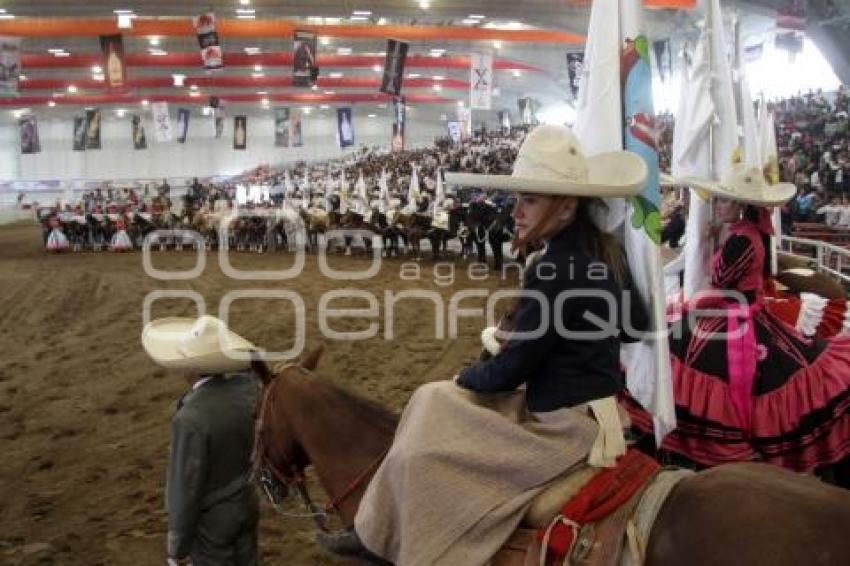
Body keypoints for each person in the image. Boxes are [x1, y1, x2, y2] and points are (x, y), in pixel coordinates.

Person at [317, 125, 649, 564]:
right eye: (519, 199)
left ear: (567, 208)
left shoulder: (552, 268)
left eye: (530, 200)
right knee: (431, 402)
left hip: (563, 423)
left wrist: (467, 374)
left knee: (427, 439)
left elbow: (512, 371)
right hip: (596, 409)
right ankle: (375, 529)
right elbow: (635, 328)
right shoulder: (606, 252)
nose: (516, 212)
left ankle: (386, 536)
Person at [626, 164, 850, 474]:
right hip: (736, 309)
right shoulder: (749, 232)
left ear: (741, 205)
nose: (717, 206)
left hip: (733, 316)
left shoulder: (741, 239)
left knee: (689, 360)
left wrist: (712, 242)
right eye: (718, 201)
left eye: (724, 201)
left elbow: (720, 277)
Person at [141, 315, 263, 566]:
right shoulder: (249, 392)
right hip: (247, 503)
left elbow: (185, 489)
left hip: (213, 522)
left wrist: (178, 548)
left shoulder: (191, 418)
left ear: (190, 368)